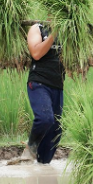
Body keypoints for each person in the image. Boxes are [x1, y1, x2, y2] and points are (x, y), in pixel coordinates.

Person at [9, 22, 65, 165]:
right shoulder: (38, 29)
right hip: (39, 83)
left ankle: (41, 165)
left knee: (55, 132)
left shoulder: (67, 31)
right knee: (45, 118)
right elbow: (36, 53)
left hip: (58, 85)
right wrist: (54, 34)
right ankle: (30, 149)